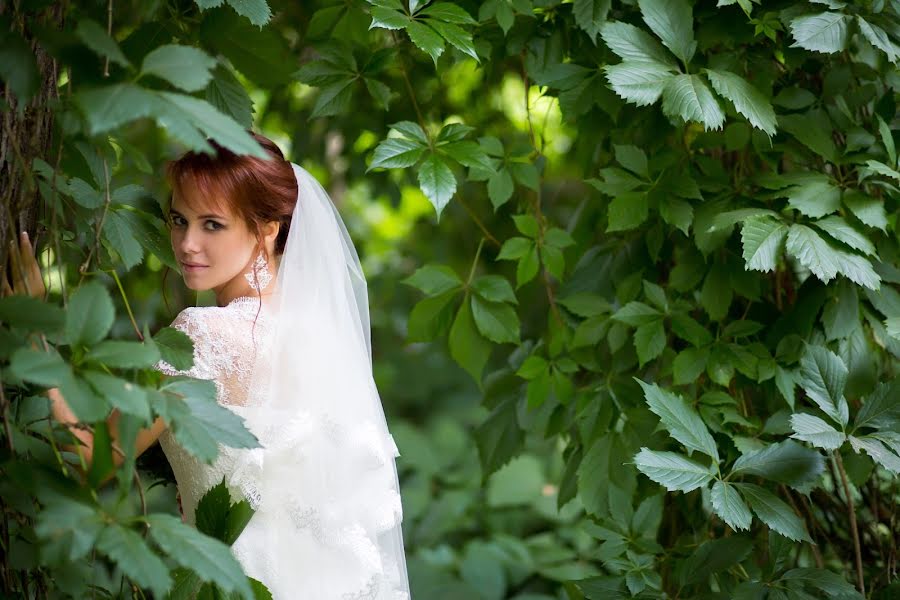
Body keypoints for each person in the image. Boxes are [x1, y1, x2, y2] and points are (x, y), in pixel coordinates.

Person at [4, 132, 410, 599]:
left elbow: (94, 460)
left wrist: (33, 335)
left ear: (267, 229)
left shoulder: (204, 335)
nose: (187, 244)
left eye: (212, 225)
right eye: (179, 220)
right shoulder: (322, 333)